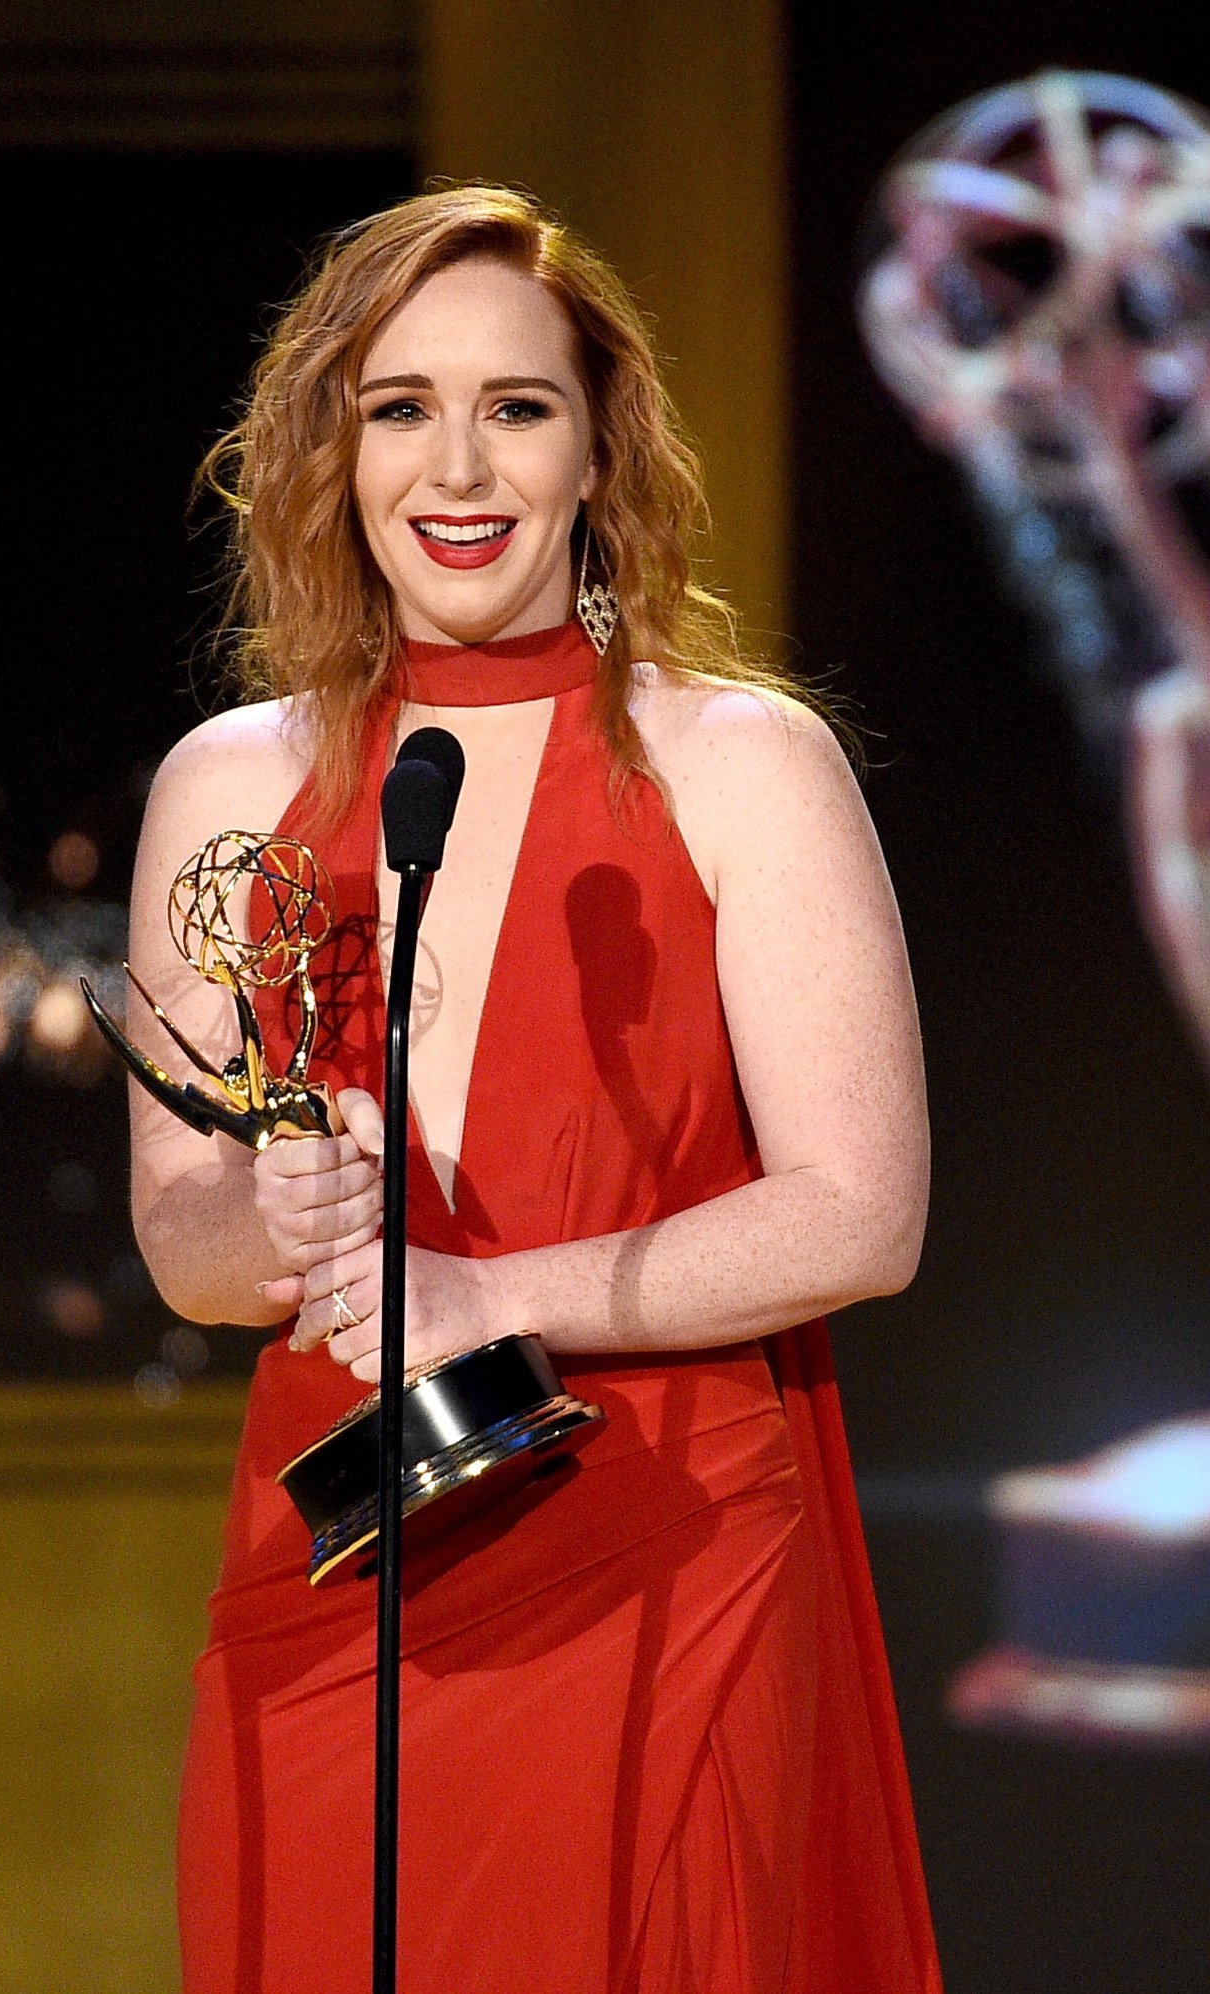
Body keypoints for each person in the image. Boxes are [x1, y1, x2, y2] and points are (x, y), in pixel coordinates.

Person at [124, 185, 940, 1993]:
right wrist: (276, 1212)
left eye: (517, 405)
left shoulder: (742, 762)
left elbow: (860, 1210)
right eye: (399, 404)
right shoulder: (227, 786)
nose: (456, 462)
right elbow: (185, 1244)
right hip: (341, 1561)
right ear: (331, 450)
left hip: (674, 1553)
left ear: (598, 448)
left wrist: (497, 1294)